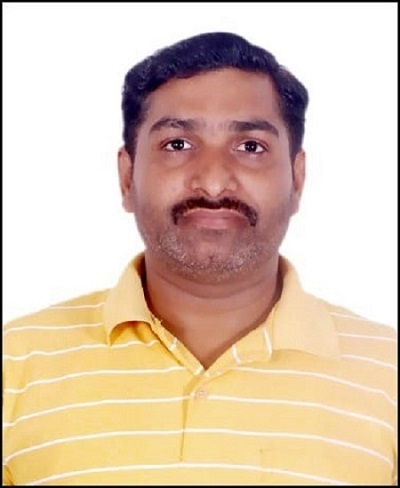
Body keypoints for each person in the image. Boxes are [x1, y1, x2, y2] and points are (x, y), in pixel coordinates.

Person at [2, 32, 397, 486]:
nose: (212, 182)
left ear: (297, 179)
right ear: (127, 177)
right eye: (177, 144)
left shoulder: (389, 375)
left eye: (250, 147)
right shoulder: (15, 365)